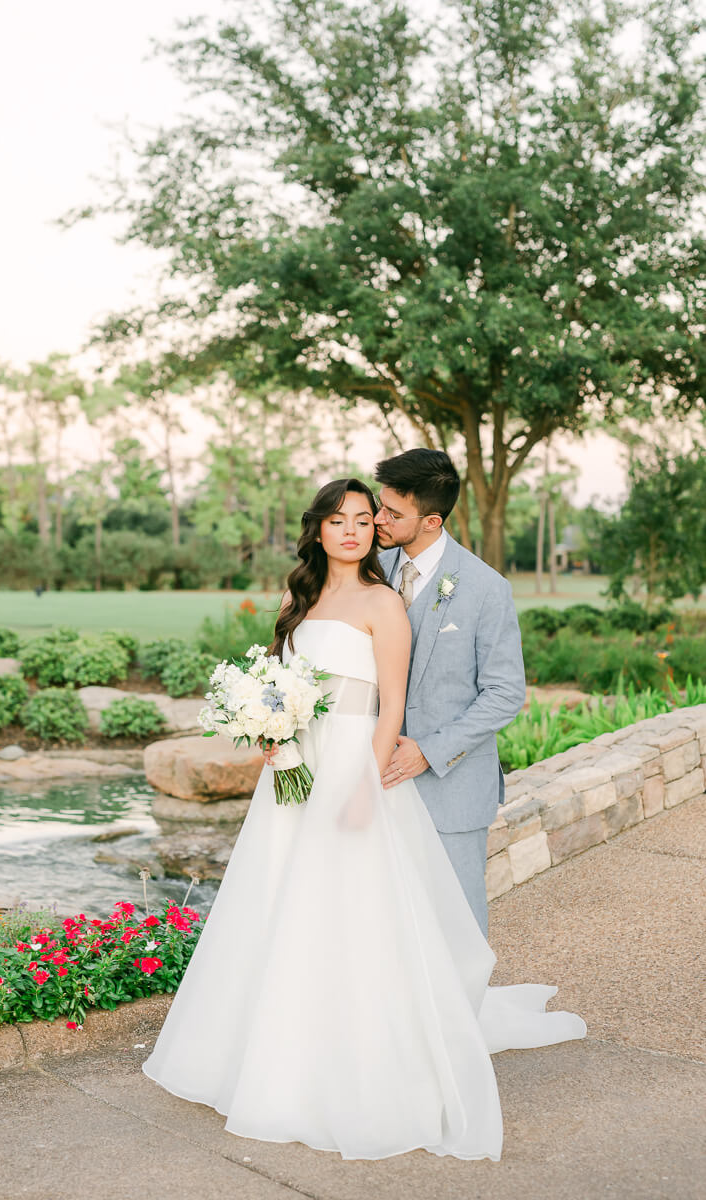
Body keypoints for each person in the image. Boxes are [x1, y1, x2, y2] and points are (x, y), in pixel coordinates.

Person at [142, 478, 585, 1162]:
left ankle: (354, 1058)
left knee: (350, 911)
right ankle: (264, 1050)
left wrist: (365, 790)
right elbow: (280, 685)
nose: (351, 530)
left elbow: (393, 706)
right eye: (337, 520)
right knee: (277, 902)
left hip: (354, 767)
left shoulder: (385, 603)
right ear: (317, 529)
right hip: (297, 768)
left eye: (361, 519)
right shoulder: (298, 599)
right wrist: (268, 732)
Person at [374, 448, 525, 935]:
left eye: (393, 513)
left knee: (456, 924)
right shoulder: (368, 570)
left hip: (452, 786)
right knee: (385, 918)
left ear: (432, 520)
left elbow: (505, 693)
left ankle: (462, 1014)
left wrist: (430, 751)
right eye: (381, 505)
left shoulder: (486, 588)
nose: (378, 519)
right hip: (373, 782)